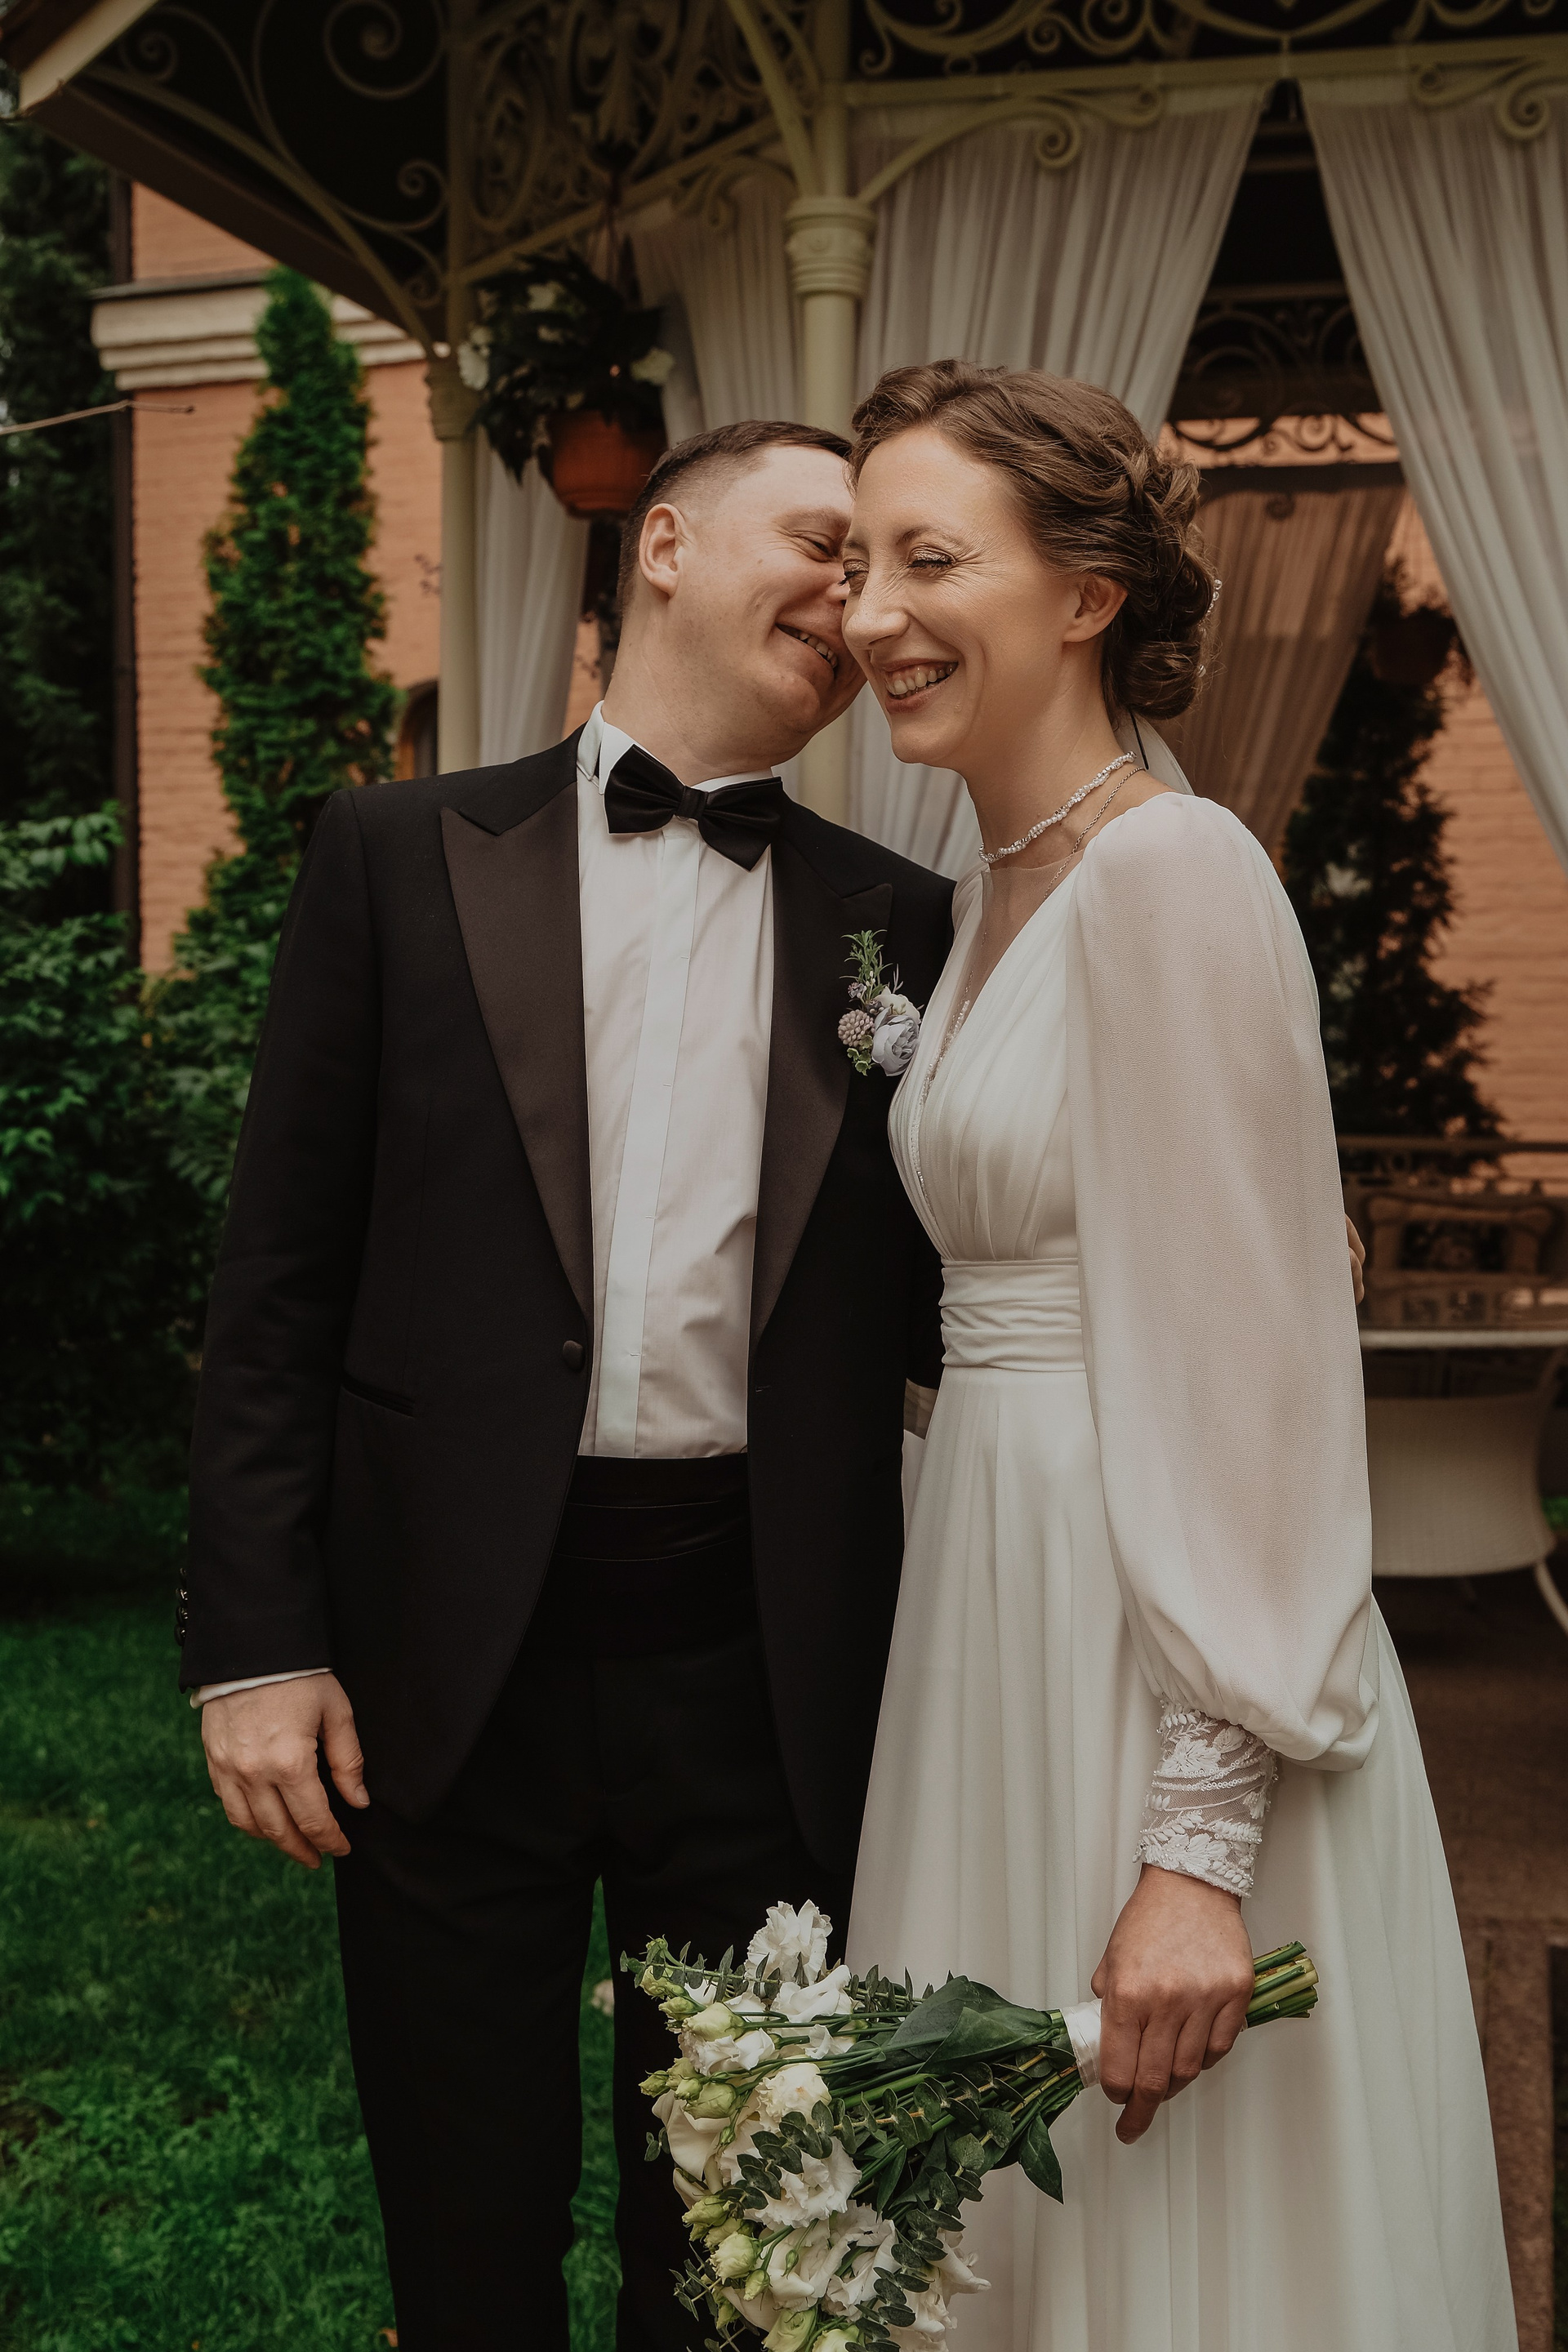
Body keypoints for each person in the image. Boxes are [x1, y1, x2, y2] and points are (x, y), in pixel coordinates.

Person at [178, 417, 956, 2352]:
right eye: (824, 540)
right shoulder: (392, 855)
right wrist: (257, 1643)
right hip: (444, 1667)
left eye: (879, 564)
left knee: (740, 2254)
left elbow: (954, 1294)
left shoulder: (903, 920)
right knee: (466, 2240)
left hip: (766, 1670)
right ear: (664, 544)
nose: (855, 597)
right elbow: (277, 1284)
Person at [839, 361, 1516, 2352]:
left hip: (1147, 1636)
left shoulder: (1171, 870)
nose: (871, 614)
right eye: (859, 563)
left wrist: (1198, 1858)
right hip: (989, 1598)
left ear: (1088, 592)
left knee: (1185, 2232)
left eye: (928, 559)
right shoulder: (987, 894)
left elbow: (1259, 1378)